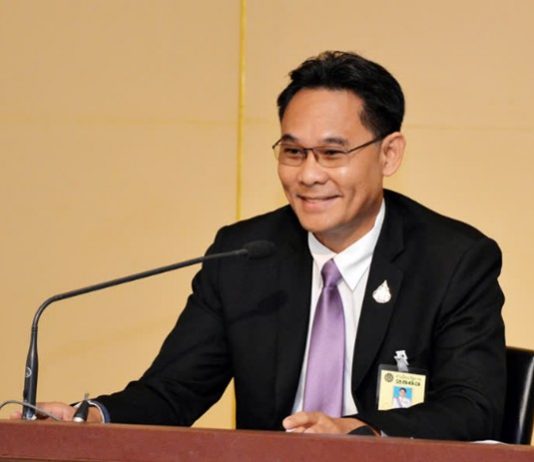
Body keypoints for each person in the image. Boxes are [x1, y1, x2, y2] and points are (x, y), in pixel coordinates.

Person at [17, 51, 506, 440]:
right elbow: (174, 392)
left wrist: (361, 432)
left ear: (389, 154)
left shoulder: (453, 261)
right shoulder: (244, 254)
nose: (308, 174)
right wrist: (92, 417)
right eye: (293, 151)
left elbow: (472, 407)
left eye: (331, 153)